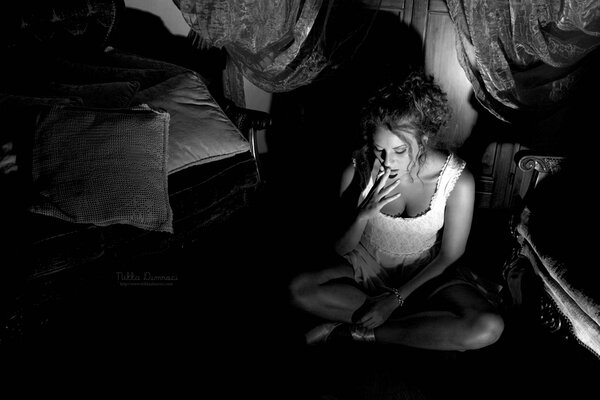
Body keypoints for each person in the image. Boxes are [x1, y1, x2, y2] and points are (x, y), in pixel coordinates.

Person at [289, 70, 504, 350]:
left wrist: (394, 300)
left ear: (424, 138)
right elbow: (341, 249)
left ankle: (353, 331)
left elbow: (450, 255)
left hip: (423, 274)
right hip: (363, 268)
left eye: (400, 151)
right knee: (298, 290)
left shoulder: (457, 180)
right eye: (380, 150)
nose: (388, 162)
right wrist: (362, 215)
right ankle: (417, 329)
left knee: (488, 327)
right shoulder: (359, 170)